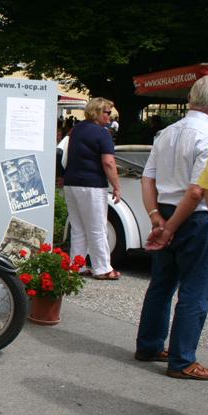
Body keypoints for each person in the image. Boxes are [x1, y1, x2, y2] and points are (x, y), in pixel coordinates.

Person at [135, 75, 208, 380]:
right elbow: (197, 191)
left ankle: (150, 344)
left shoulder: (167, 132)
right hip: (193, 216)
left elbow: (147, 177)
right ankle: (182, 359)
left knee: (162, 283)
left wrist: (157, 217)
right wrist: (171, 227)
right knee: (196, 288)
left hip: (165, 209)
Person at [62, 97, 122, 279]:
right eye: (107, 112)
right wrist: (117, 186)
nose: (110, 117)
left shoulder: (77, 129)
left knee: (78, 227)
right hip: (92, 184)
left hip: (71, 183)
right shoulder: (102, 133)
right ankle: (103, 268)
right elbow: (109, 162)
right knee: (97, 227)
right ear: (97, 112)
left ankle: (76, 265)